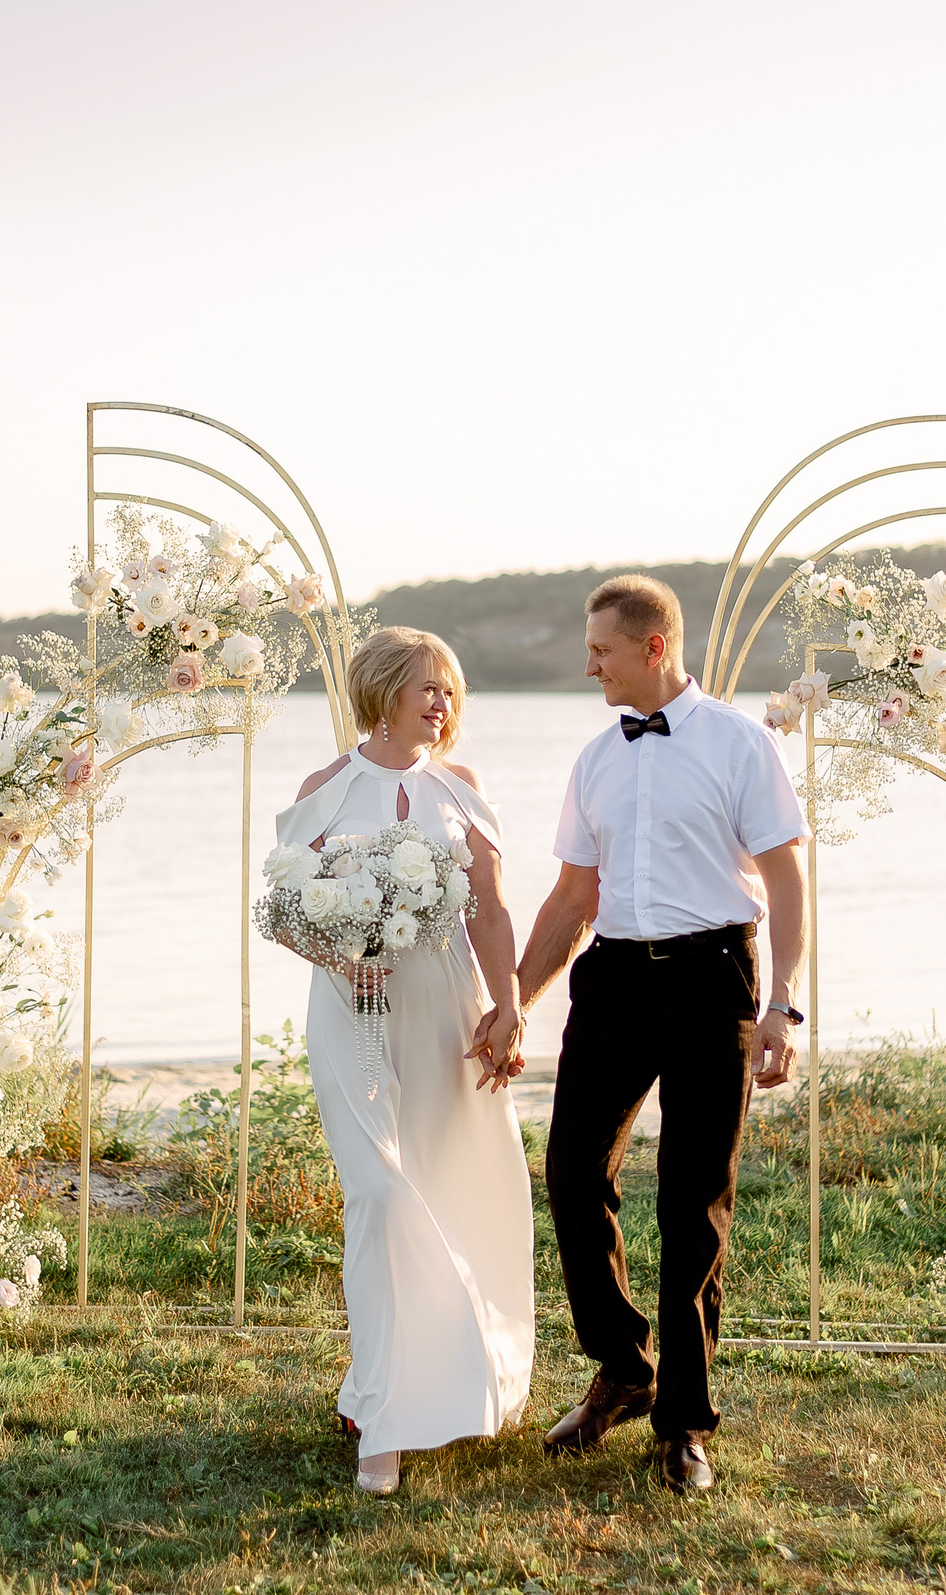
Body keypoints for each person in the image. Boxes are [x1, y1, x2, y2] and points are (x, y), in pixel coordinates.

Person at [514, 575, 806, 1494]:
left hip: (711, 976)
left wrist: (783, 1005)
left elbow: (788, 879)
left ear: (653, 647)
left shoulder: (740, 744)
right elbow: (571, 898)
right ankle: (623, 1367)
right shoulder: (596, 758)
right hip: (610, 981)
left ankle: (683, 1419)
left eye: (600, 648)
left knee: (692, 1200)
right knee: (570, 1171)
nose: (588, 662)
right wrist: (514, 999)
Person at [277, 626, 535, 1497]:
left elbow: (492, 915)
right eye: (426, 686)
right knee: (382, 1196)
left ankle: (435, 1383)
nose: (442, 703)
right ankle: (384, 1419)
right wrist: (341, 952)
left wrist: (510, 1007)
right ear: (382, 689)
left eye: (451, 690)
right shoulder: (328, 789)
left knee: (456, 1184)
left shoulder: (462, 790)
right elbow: (280, 909)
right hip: (352, 1015)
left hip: (445, 1013)